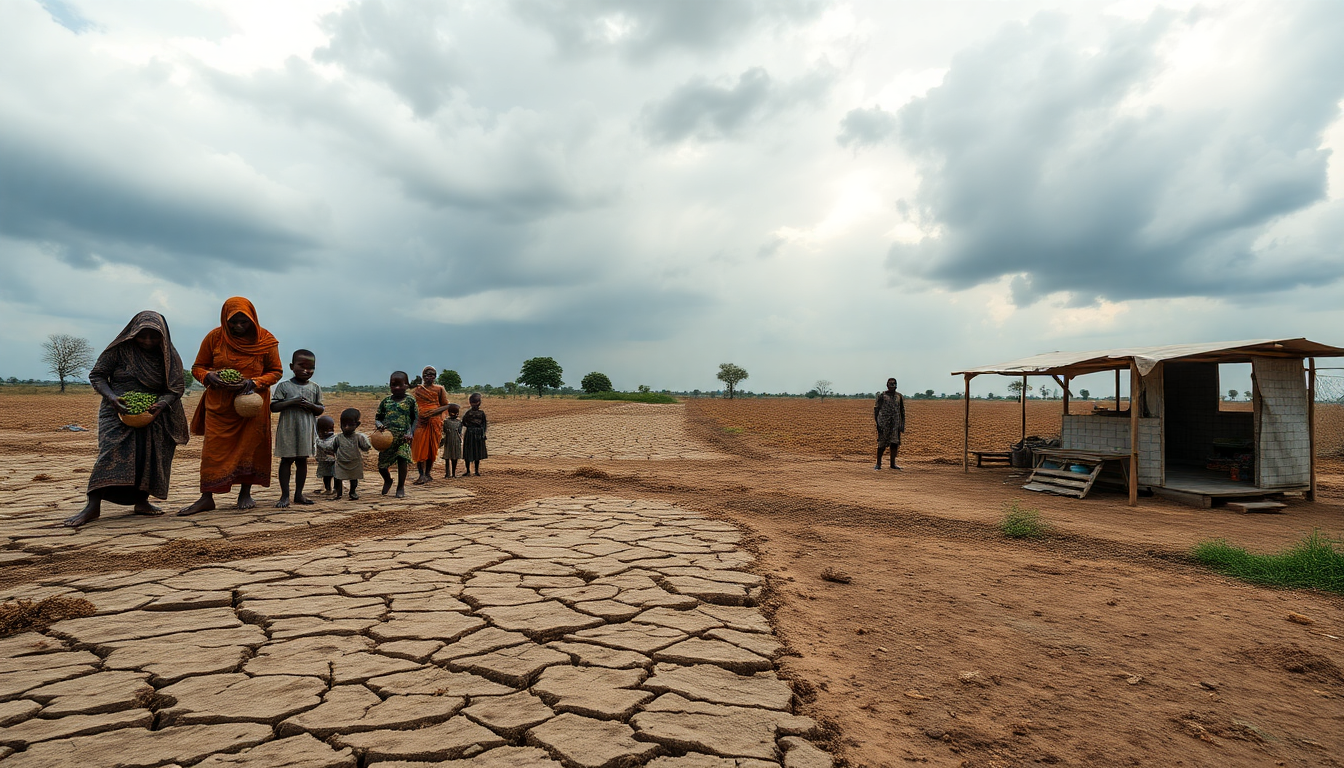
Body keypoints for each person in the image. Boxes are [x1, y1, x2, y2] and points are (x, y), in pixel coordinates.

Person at [64, 311, 189, 527]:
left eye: (154, 336)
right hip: (117, 409)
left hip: (153, 412)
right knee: (110, 453)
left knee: (147, 456)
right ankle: (92, 506)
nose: (148, 341)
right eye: (143, 336)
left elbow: (176, 387)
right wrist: (112, 397)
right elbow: (98, 375)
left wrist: (161, 404)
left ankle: (142, 502)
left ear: (163, 336)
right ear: (133, 332)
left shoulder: (168, 355)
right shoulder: (120, 350)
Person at [180, 297, 284, 515]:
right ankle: (206, 497)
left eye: (243, 322)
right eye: (232, 322)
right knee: (213, 451)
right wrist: (209, 376)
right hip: (220, 405)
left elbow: (276, 371)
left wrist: (253, 382)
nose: (238, 327)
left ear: (252, 320)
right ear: (224, 320)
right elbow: (198, 366)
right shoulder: (214, 338)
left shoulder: (265, 340)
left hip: (251, 404)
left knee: (250, 447)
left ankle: (245, 493)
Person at [271, 349, 324, 507]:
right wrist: (291, 401)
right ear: (292, 366)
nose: (307, 370)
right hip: (288, 429)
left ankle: (299, 494)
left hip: (306, 429)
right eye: (302, 366)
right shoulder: (284, 386)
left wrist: (310, 405)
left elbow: (320, 409)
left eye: (311, 367)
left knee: (302, 460)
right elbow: (274, 406)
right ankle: (284, 496)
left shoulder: (315, 388)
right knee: (286, 460)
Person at [375, 371, 417, 497]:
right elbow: (378, 418)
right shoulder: (386, 402)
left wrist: (410, 433)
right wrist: (379, 425)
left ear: (407, 385)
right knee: (382, 466)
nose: (397, 388)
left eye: (400, 385)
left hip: (404, 437)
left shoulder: (410, 401)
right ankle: (388, 480)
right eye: (393, 385)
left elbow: (415, 418)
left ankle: (400, 487)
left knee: (402, 460)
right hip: (387, 439)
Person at [411, 365, 451, 485]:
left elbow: (445, 405)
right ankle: (421, 475)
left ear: (435, 377)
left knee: (431, 449)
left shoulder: (439, 389)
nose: (430, 377)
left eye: (432, 374)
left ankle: (428, 474)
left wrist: (436, 414)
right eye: (428, 374)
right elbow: (414, 406)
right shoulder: (418, 390)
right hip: (420, 422)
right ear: (423, 376)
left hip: (434, 423)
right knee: (419, 448)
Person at [333, 407, 371, 499]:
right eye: (343, 425)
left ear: (357, 425)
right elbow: (334, 448)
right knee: (338, 477)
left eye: (350, 425)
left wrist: (367, 442)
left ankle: (352, 491)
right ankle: (339, 493)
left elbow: (365, 448)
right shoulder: (338, 438)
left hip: (354, 462)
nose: (346, 428)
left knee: (354, 478)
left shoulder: (358, 437)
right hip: (341, 462)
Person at [874, 377, 906, 470]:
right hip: (884, 424)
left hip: (895, 425)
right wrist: (877, 423)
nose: (893, 386)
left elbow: (902, 411)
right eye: (891, 384)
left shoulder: (899, 396)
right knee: (881, 445)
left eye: (895, 384)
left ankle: (892, 464)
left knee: (894, 444)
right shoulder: (882, 396)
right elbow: (876, 409)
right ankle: (878, 464)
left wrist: (902, 424)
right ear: (887, 385)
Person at [461, 392, 487, 476]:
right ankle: (472, 471)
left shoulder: (469, 413)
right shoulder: (478, 413)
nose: (475, 404)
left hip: (472, 433)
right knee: (472, 452)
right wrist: (482, 432)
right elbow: (484, 424)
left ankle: (472, 471)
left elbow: (464, 422)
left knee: (474, 453)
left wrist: (483, 433)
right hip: (475, 433)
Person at [314, 415, 337, 495]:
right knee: (326, 476)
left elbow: (327, 446)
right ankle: (328, 489)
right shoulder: (319, 438)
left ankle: (336, 489)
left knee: (335, 475)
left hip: (333, 461)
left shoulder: (334, 439)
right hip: (323, 462)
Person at [440, 403, 463, 478]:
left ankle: (450, 473)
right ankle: (451, 473)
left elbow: (444, 431)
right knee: (451, 457)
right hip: (453, 440)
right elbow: (459, 432)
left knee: (450, 457)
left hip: (451, 440)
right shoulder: (458, 422)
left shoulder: (447, 422)